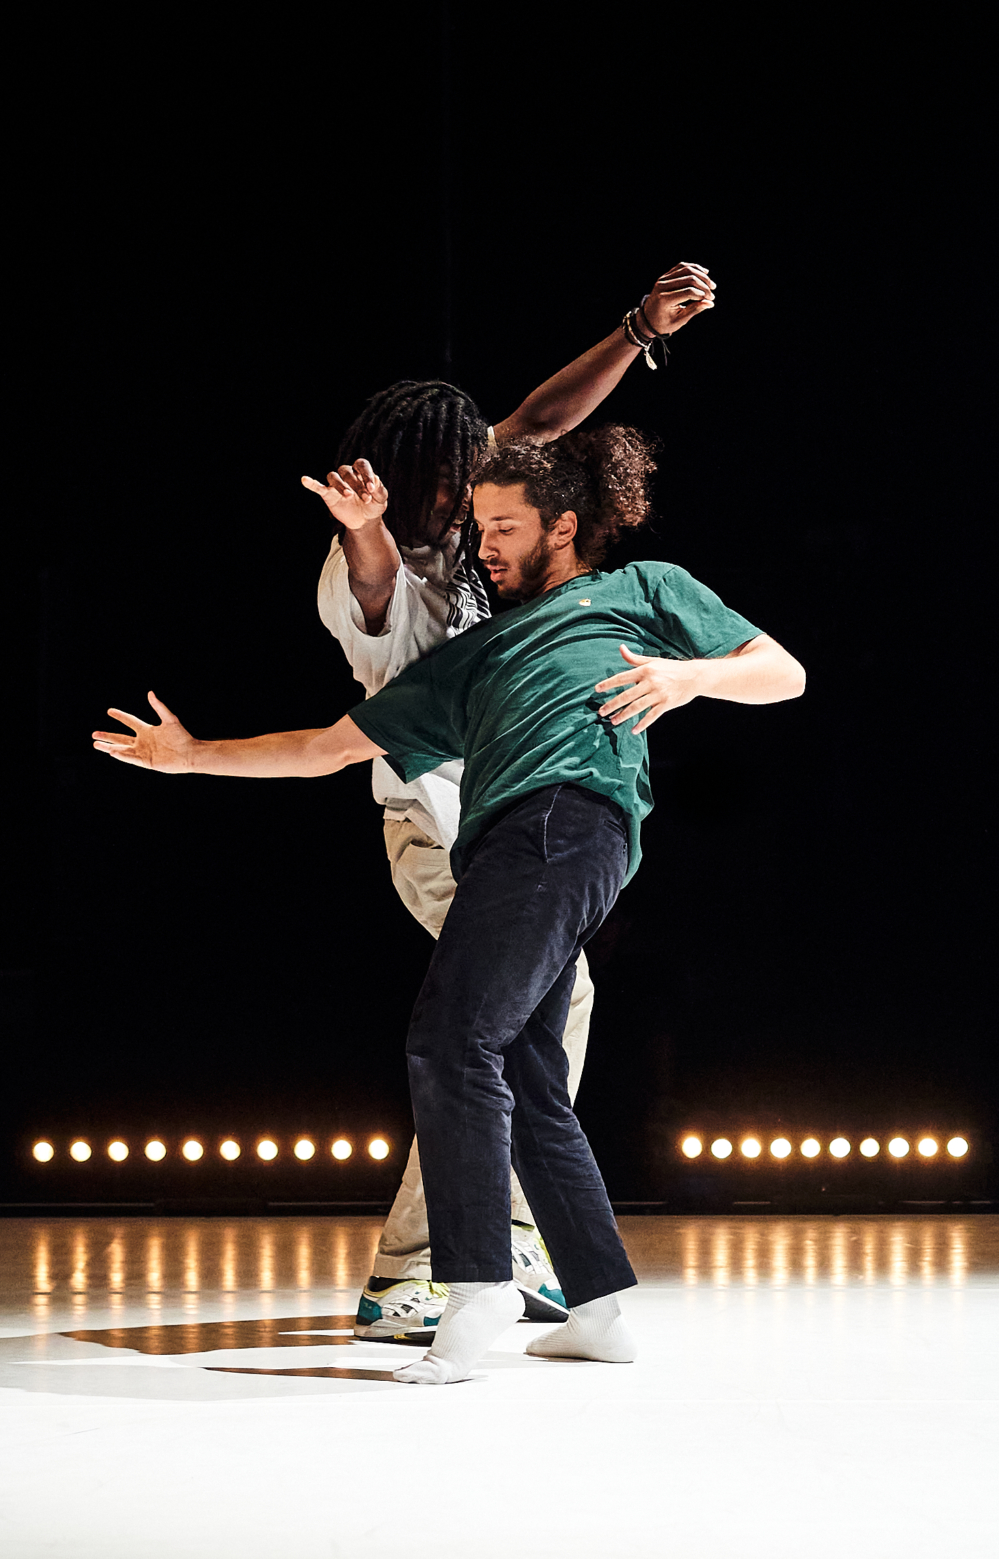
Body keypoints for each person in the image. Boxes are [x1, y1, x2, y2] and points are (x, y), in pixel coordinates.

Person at [94, 425, 804, 1386]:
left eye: (505, 526)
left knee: (449, 1041)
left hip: (560, 826)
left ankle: (474, 1287)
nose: (485, 544)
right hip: (514, 846)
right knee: (524, 1069)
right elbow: (327, 748)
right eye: (480, 527)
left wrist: (687, 677)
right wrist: (191, 758)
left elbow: (782, 673)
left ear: (563, 525)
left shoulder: (638, 591)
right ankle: (598, 1308)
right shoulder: (473, 657)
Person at [301, 263, 716, 1340]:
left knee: (521, 1017)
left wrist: (636, 330)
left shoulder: (476, 532)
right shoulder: (372, 564)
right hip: (433, 826)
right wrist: (364, 527)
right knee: (507, 1019)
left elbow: (539, 419)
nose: (473, 491)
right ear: (411, 482)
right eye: (455, 479)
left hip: (502, 821)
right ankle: (434, 1264)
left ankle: (482, 1248)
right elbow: (375, 579)